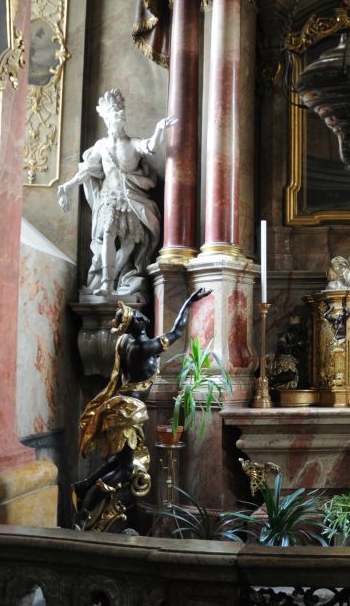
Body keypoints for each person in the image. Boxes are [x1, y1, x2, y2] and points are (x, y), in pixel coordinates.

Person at [73, 287, 210, 532]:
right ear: (133, 326)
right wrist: (189, 302)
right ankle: (85, 510)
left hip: (124, 407)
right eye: (136, 318)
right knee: (127, 469)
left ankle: (84, 485)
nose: (141, 316)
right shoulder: (143, 346)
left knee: (119, 460)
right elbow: (177, 332)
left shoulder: (124, 342)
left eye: (138, 314)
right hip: (127, 411)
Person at [58, 88, 176, 297]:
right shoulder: (101, 146)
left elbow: (149, 146)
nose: (121, 113)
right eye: (116, 111)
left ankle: (114, 280)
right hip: (109, 199)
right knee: (107, 235)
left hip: (131, 201)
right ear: (107, 118)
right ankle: (106, 283)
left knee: (130, 244)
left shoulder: (132, 143)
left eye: (122, 110)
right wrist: (67, 186)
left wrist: (159, 130)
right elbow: (86, 171)